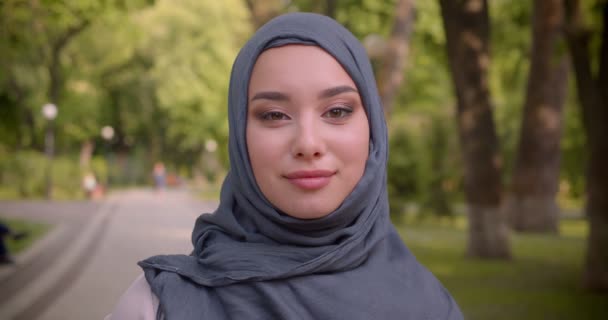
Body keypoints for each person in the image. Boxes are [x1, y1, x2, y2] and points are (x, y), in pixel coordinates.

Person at [107, 12, 463, 319]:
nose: (308, 144)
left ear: (373, 130)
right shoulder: (156, 307)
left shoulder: (430, 308)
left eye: (337, 111)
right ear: (240, 135)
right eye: (274, 115)